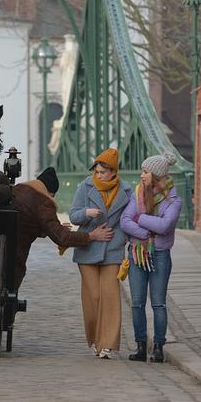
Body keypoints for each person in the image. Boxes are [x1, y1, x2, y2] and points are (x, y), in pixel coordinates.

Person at [0, 166, 116, 346]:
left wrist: (52, 227)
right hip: (14, 256)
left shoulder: (17, 190)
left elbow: (26, 220)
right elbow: (62, 238)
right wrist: (91, 236)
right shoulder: (43, 203)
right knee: (8, 285)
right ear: (50, 192)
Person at [69, 148, 132, 359]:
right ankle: (96, 339)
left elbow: (127, 222)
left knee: (110, 297)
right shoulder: (84, 187)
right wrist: (86, 213)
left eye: (103, 172)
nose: (98, 176)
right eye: (96, 172)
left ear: (113, 172)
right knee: (93, 297)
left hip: (112, 250)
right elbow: (74, 216)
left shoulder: (126, 191)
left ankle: (108, 344)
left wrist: (118, 240)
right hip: (87, 249)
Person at [120, 151, 181, 363]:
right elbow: (125, 221)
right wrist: (145, 233)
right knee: (137, 303)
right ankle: (140, 345)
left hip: (160, 255)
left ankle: (158, 347)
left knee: (158, 304)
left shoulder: (173, 200)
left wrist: (141, 217)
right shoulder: (137, 193)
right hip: (137, 254)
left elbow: (165, 226)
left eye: (145, 172)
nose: (141, 175)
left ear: (156, 175)